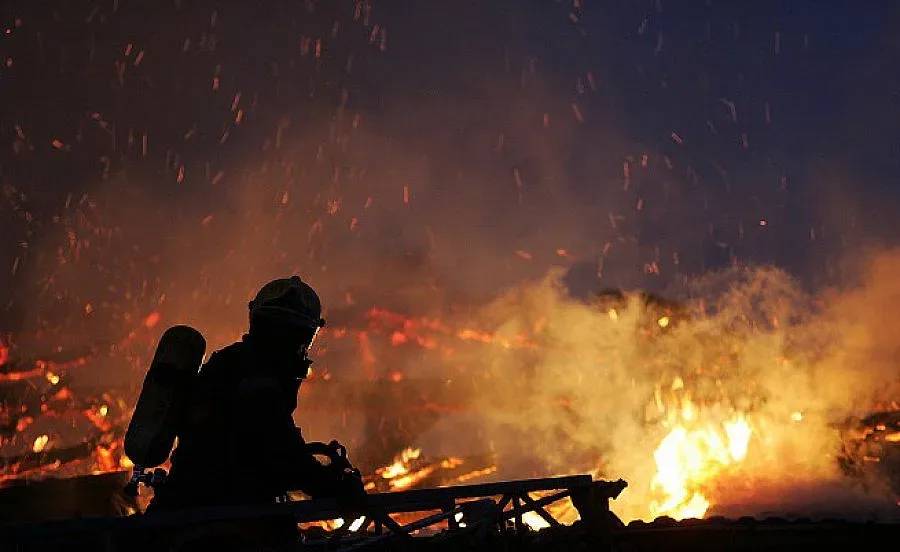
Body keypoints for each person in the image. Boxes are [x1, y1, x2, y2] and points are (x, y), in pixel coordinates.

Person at [147, 276, 365, 512]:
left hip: (195, 505)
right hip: (220, 516)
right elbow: (285, 457)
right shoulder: (257, 382)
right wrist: (338, 486)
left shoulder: (231, 363)